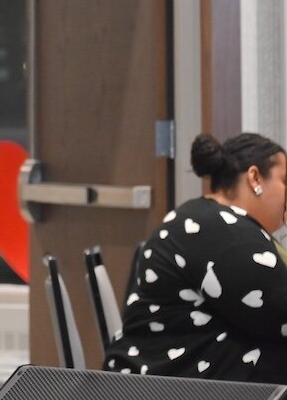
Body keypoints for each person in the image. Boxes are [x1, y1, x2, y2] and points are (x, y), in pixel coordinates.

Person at [105, 132, 287, 384]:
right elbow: (280, 312)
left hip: (157, 374)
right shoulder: (227, 233)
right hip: (164, 383)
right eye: (284, 180)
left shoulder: (207, 218)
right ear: (254, 177)